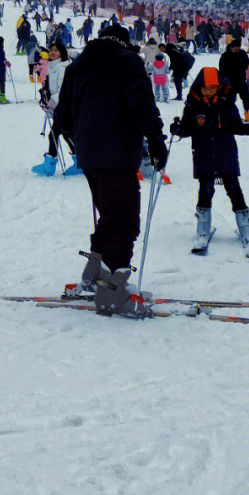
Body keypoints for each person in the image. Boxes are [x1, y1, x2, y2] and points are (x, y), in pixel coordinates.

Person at [53, 22, 167, 314]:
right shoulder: (127, 61)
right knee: (124, 219)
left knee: (110, 214)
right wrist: (155, 140)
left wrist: (79, 141)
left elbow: (62, 117)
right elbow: (143, 103)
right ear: (123, 41)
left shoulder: (77, 65)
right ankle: (113, 291)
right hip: (118, 150)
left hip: (90, 155)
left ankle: (94, 276)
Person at [170, 66, 249, 251]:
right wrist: (179, 130)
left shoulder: (227, 104)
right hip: (203, 154)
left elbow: (237, 127)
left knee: (234, 189)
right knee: (205, 190)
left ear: (220, 87)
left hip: (225, 153)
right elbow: (188, 128)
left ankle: (246, 228)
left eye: (212, 88)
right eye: (205, 88)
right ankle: (203, 228)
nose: (208, 91)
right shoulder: (192, 105)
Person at [32, 40, 78, 175]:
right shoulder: (54, 67)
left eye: (56, 50)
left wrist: (51, 102)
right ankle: (72, 161)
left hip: (65, 107)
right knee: (58, 134)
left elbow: (63, 89)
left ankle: (55, 163)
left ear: (62, 52)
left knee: (59, 133)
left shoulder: (63, 67)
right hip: (60, 107)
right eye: (51, 50)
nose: (52, 52)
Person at [218, 37, 249, 118]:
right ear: (231, 47)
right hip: (230, 82)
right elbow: (221, 69)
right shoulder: (225, 55)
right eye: (235, 50)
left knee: (246, 99)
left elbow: (248, 65)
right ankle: (232, 116)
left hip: (241, 80)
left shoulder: (242, 54)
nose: (237, 51)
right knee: (230, 100)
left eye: (238, 50)